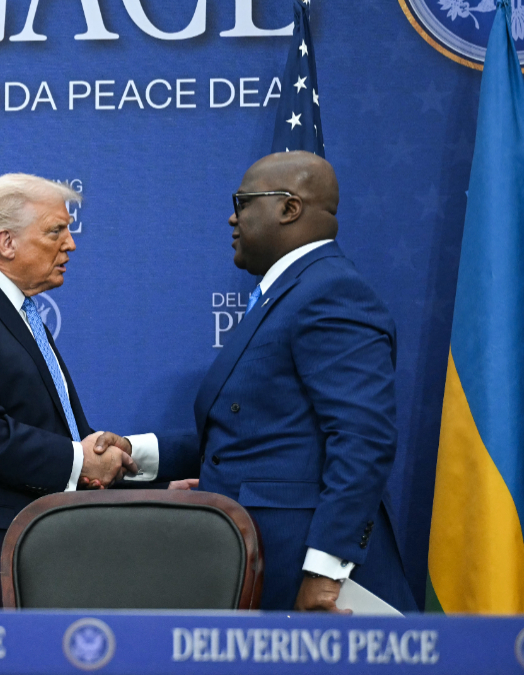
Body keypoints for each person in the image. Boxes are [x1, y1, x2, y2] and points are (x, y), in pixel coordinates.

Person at [0, 174, 196, 608]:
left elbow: (63, 440)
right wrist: (81, 459)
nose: (70, 244)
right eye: (56, 231)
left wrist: (152, 496)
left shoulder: (21, 316)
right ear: (6, 242)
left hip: (29, 554)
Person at [183, 151, 416, 612]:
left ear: (289, 208)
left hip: (310, 572)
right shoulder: (288, 293)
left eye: (243, 201)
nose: (232, 217)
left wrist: (326, 571)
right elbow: (254, 426)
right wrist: (137, 454)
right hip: (261, 560)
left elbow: (363, 438)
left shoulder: (330, 292)